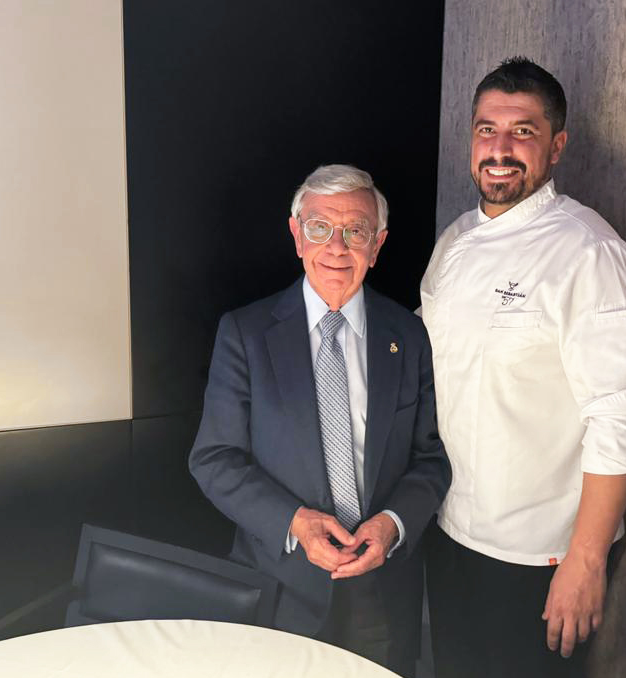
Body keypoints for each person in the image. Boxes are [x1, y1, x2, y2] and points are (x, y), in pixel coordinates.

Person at [420, 57, 626, 677]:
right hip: (451, 530)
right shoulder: (452, 243)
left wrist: (585, 561)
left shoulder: (590, 253)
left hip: (542, 556)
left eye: (522, 131)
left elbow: (622, 414)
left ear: (556, 147)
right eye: (485, 129)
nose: (499, 148)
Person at [190, 164, 450, 678]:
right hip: (279, 584)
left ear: (377, 245)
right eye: (320, 228)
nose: (337, 246)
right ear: (297, 235)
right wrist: (295, 521)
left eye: (356, 230)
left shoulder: (409, 335)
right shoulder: (245, 333)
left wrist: (393, 525)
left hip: (382, 588)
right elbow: (214, 459)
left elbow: (430, 457)